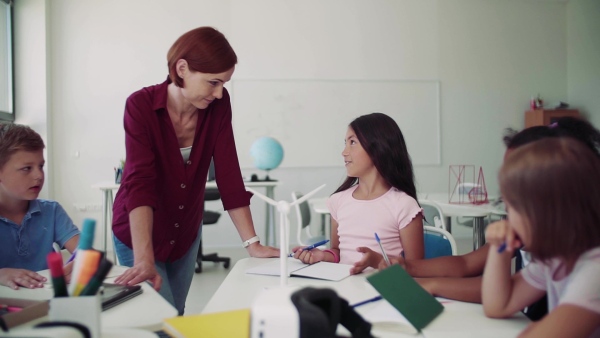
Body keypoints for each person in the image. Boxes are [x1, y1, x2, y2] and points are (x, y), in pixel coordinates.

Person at [349, 117, 600, 310]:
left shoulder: (592, 270)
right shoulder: (550, 261)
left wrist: (425, 282)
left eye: (515, 201)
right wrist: (411, 270)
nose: (505, 211)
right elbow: (470, 269)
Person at [111, 26, 279, 315]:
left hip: (185, 232)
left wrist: (252, 244)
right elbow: (139, 182)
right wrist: (143, 258)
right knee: (157, 322)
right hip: (138, 234)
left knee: (177, 314)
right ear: (183, 68)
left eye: (223, 84)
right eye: (213, 82)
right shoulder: (140, 106)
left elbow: (228, 172)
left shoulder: (218, 105)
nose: (218, 93)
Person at [482, 137, 600, 337]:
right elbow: (497, 306)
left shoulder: (594, 269)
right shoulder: (556, 259)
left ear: (541, 214)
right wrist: (500, 248)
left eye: (510, 207)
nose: (508, 217)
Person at [293, 112, 424, 265]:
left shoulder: (403, 205)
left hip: (380, 288)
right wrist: (321, 256)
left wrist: (379, 262)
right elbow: (337, 252)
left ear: (378, 148)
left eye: (353, 142)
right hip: (344, 287)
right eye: (345, 143)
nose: (344, 152)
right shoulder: (338, 200)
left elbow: (416, 269)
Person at [0, 123, 80, 290]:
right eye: (26, 168)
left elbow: (87, 252)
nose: (39, 175)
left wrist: (84, 261)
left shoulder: (51, 210)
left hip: (46, 301)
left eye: (41, 166)